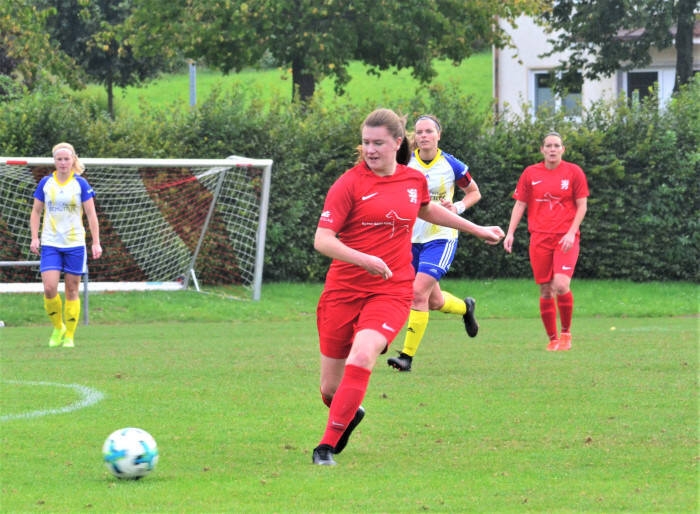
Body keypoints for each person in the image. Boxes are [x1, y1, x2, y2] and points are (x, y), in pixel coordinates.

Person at [312, 108, 504, 465]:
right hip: (343, 290)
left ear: (397, 142)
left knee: (363, 354)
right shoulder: (348, 184)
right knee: (330, 389)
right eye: (366, 143)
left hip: (391, 288)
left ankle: (324, 448)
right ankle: (349, 411)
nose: (370, 150)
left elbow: (427, 210)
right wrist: (364, 259)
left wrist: (477, 230)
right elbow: (322, 240)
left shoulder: (412, 180)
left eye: (378, 143)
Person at [387, 114, 482, 372]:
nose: (424, 136)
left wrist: (458, 207)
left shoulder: (452, 165)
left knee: (417, 293)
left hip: (441, 237)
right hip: (410, 240)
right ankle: (465, 308)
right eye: (419, 132)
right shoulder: (404, 162)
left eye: (429, 131)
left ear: (438, 135)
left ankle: (406, 357)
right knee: (434, 301)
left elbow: (474, 192)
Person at [503, 131, 589, 351]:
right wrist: (510, 233)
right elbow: (520, 204)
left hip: (565, 239)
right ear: (542, 149)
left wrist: (571, 232)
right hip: (539, 238)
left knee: (561, 284)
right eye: (548, 145)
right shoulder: (530, 173)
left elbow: (582, 206)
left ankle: (566, 333)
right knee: (546, 290)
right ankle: (553, 339)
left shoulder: (574, 172)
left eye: (556, 145)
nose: (552, 149)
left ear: (563, 149)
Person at [30, 142, 102, 348]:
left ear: (72, 160)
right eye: (59, 159)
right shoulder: (46, 183)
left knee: (72, 290)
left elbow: (91, 214)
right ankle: (58, 327)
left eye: (66, 159)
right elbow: (36, 211)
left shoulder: (81, 184)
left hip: (75, 244)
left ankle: (69, 335)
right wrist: (35, 237)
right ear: (54, 161)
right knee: (49, 287)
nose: (63, 163)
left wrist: (96, 242)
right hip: (51, 244)